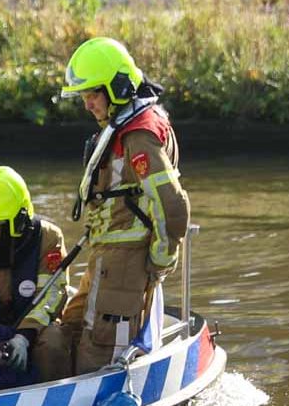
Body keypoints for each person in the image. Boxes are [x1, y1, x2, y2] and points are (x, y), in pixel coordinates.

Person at [56, 37, 190, 372]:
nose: (88, 105)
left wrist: (159, 261)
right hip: (107, 258)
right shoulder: (124, 127)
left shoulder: (139, 136)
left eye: (92, 95)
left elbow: (172, 205)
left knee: (100, 351)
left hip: (127, 263)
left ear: (116, 88)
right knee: (71, 326)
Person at [0, 166, 73, 391]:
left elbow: (51, 295)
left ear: (17, 222)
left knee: (53, 341)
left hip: (33, 328)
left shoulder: (47, 238)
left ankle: (53, 398)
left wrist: (24, 336)